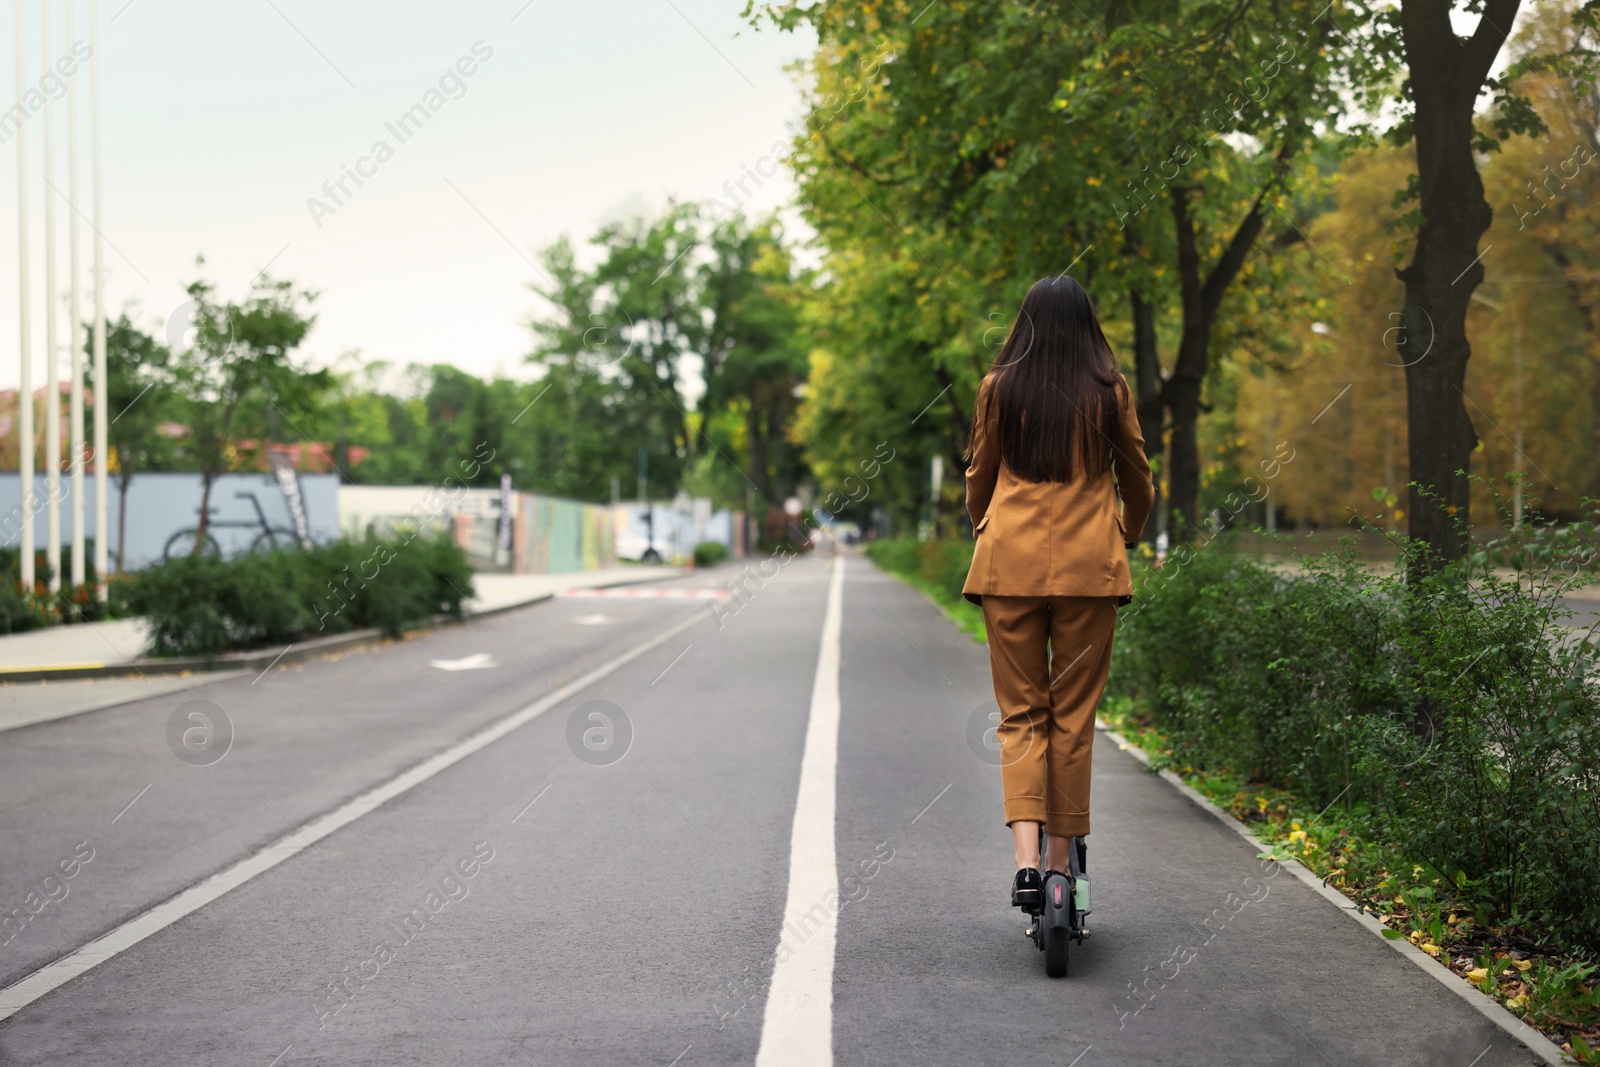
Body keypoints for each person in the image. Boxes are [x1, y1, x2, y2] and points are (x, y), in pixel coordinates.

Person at [961, 274, 1154, 912]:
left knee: (1020, 716)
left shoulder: (998, 388)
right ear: (1086, 326)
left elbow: (979, 476)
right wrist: (1126, 532)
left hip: (1008, 568)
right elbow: (1138, 476)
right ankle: (1061, 870)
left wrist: (985, 531)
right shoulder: (1110, 392)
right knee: (1073, 717)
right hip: (1088, 572)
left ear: (1026, 324)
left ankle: (1023, 865)